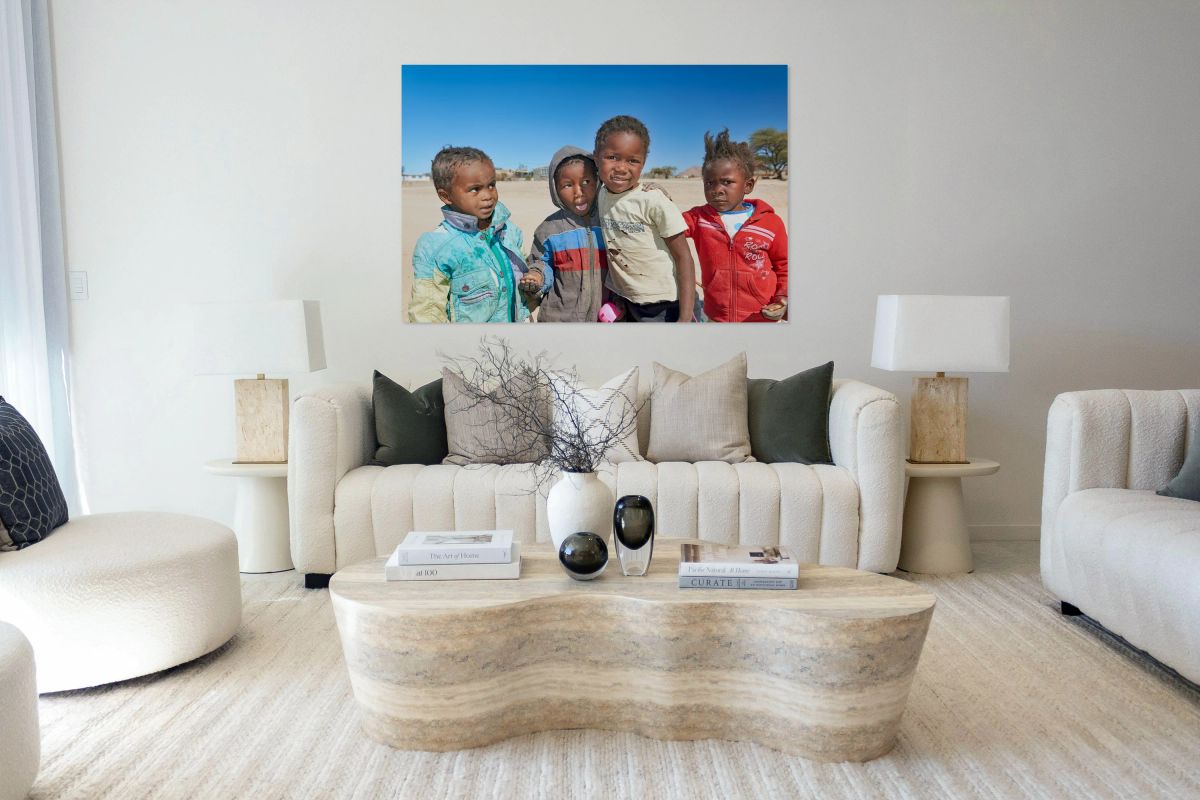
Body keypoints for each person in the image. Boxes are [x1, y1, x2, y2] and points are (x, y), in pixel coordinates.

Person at [408, 146, 532, 323]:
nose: (488, 195)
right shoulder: (436, 246)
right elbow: (426, 313)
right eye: (475, 189)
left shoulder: (509, 230)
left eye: (491, 185)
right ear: (446, 196)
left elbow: (524, 277)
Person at [593, 115, 697, 323]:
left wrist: (684, 319)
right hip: (624, 299)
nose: (622, 168)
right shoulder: (600, 193)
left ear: (644, 163)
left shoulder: (653, 201)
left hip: (662, 305)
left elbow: (684, 257)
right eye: (612, 157)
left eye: (633, 160)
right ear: (596, 158)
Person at [682, 129, 788, 323]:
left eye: (726, 182)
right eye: (709, 183)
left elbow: (785, 266)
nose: (716, 190)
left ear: (748, 186)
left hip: (761, 317)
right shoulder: (699, 218)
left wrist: (782, 298)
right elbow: (667, 223)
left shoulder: (771, 223)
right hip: (717, 316)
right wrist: (656, 195)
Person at [524, 146, 608, 322]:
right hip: (560, 320)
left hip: (606, 317)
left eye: (586, 182)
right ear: (555, 190)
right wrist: (537, 276)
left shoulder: (608, 220)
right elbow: (541, 262)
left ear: (598, 181)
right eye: (568, 185)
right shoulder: (548, 229)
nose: (579, 192)